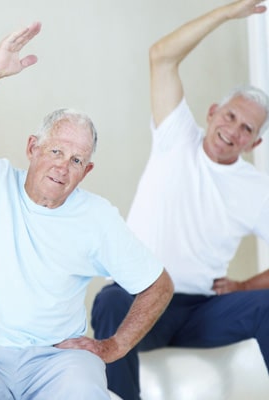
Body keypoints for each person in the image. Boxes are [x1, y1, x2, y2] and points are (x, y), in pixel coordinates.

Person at [0, 22, 174, 400]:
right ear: (33, 148)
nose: (63, 166)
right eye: (56, 151)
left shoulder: (97, 217)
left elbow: (158, 286)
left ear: (87, 171)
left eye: (77, 160)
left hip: (57, 360)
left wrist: (115, 346)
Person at [91, 1, 269, 399]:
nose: (233, 131)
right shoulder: (176, 137)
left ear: (255, 143)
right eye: (230, 117)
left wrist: (243, 285)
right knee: (110, 301)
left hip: (198, 312)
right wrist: (224, 15)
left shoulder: (257, 189)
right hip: (140, 302)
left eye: (247, 129)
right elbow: (162, 57)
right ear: (212, 112)